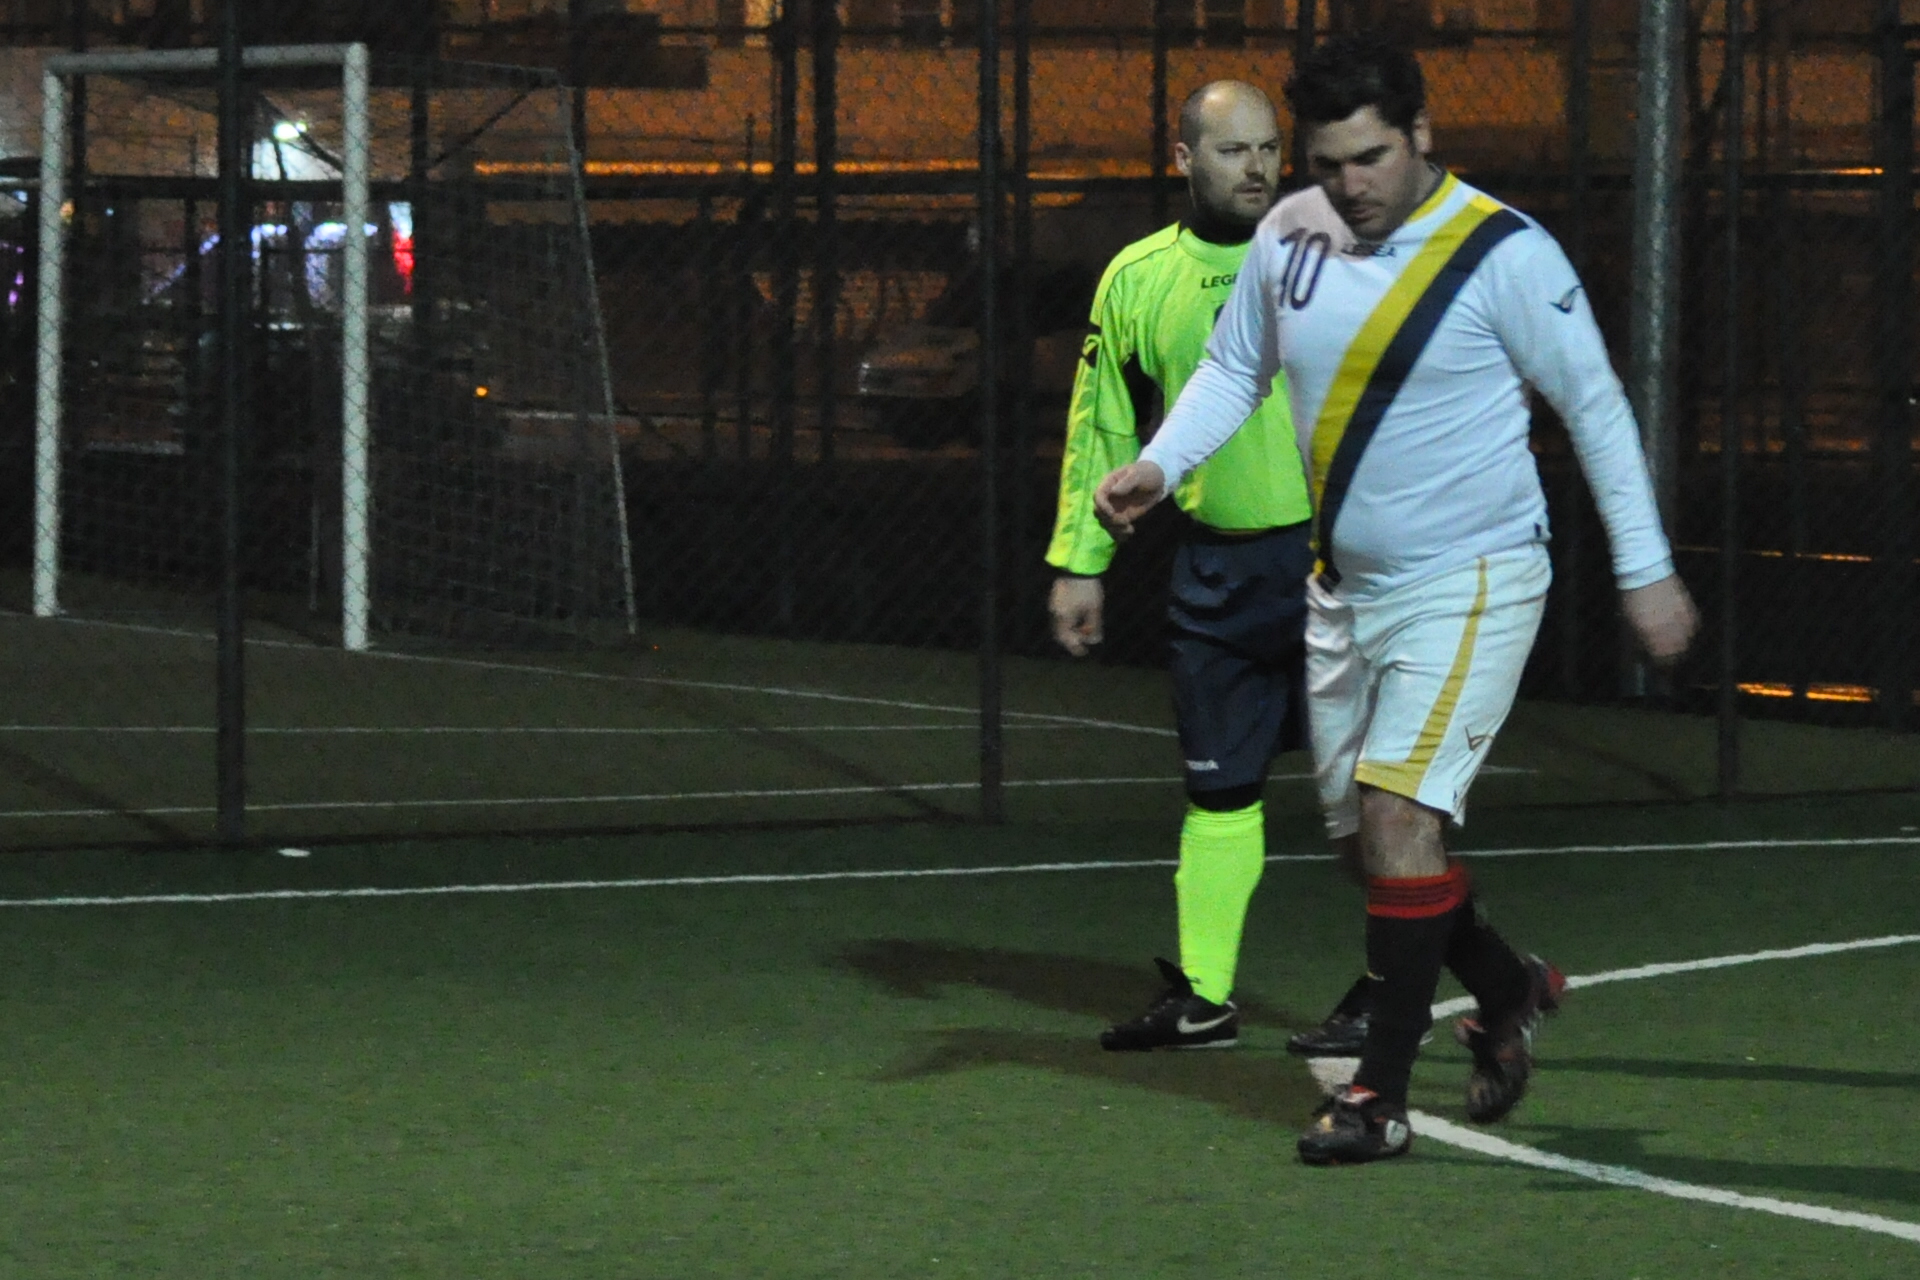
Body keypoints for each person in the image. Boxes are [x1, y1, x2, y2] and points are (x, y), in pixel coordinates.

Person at [1093, 34, 1698, 1164]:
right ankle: (1507, 986)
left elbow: (1596, 406)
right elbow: (1235, 367)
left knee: (1398, 820)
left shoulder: (1504, 254)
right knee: (1367, 854)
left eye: (1370, 158)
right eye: (1328, 164)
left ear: (1421, 135)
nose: (1349, 185)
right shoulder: (1291, 232)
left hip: (1474, 578)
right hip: (1342, 590)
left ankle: (1377, 1097)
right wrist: (1160, 466)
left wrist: (1645, 566)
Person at [1046, 80, 1374, 1057]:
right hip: (1216, 576)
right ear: (1184, 159)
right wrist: (1081, 561)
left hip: (1339, 569)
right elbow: (1102, 425)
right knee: (1219, 789)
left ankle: (1388, 985)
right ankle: (1204, 996)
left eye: (1270, 147)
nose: (1258, 167)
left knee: (1378, 797)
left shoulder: (1340, 259)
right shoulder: (1137, 277)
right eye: (1233, 150)